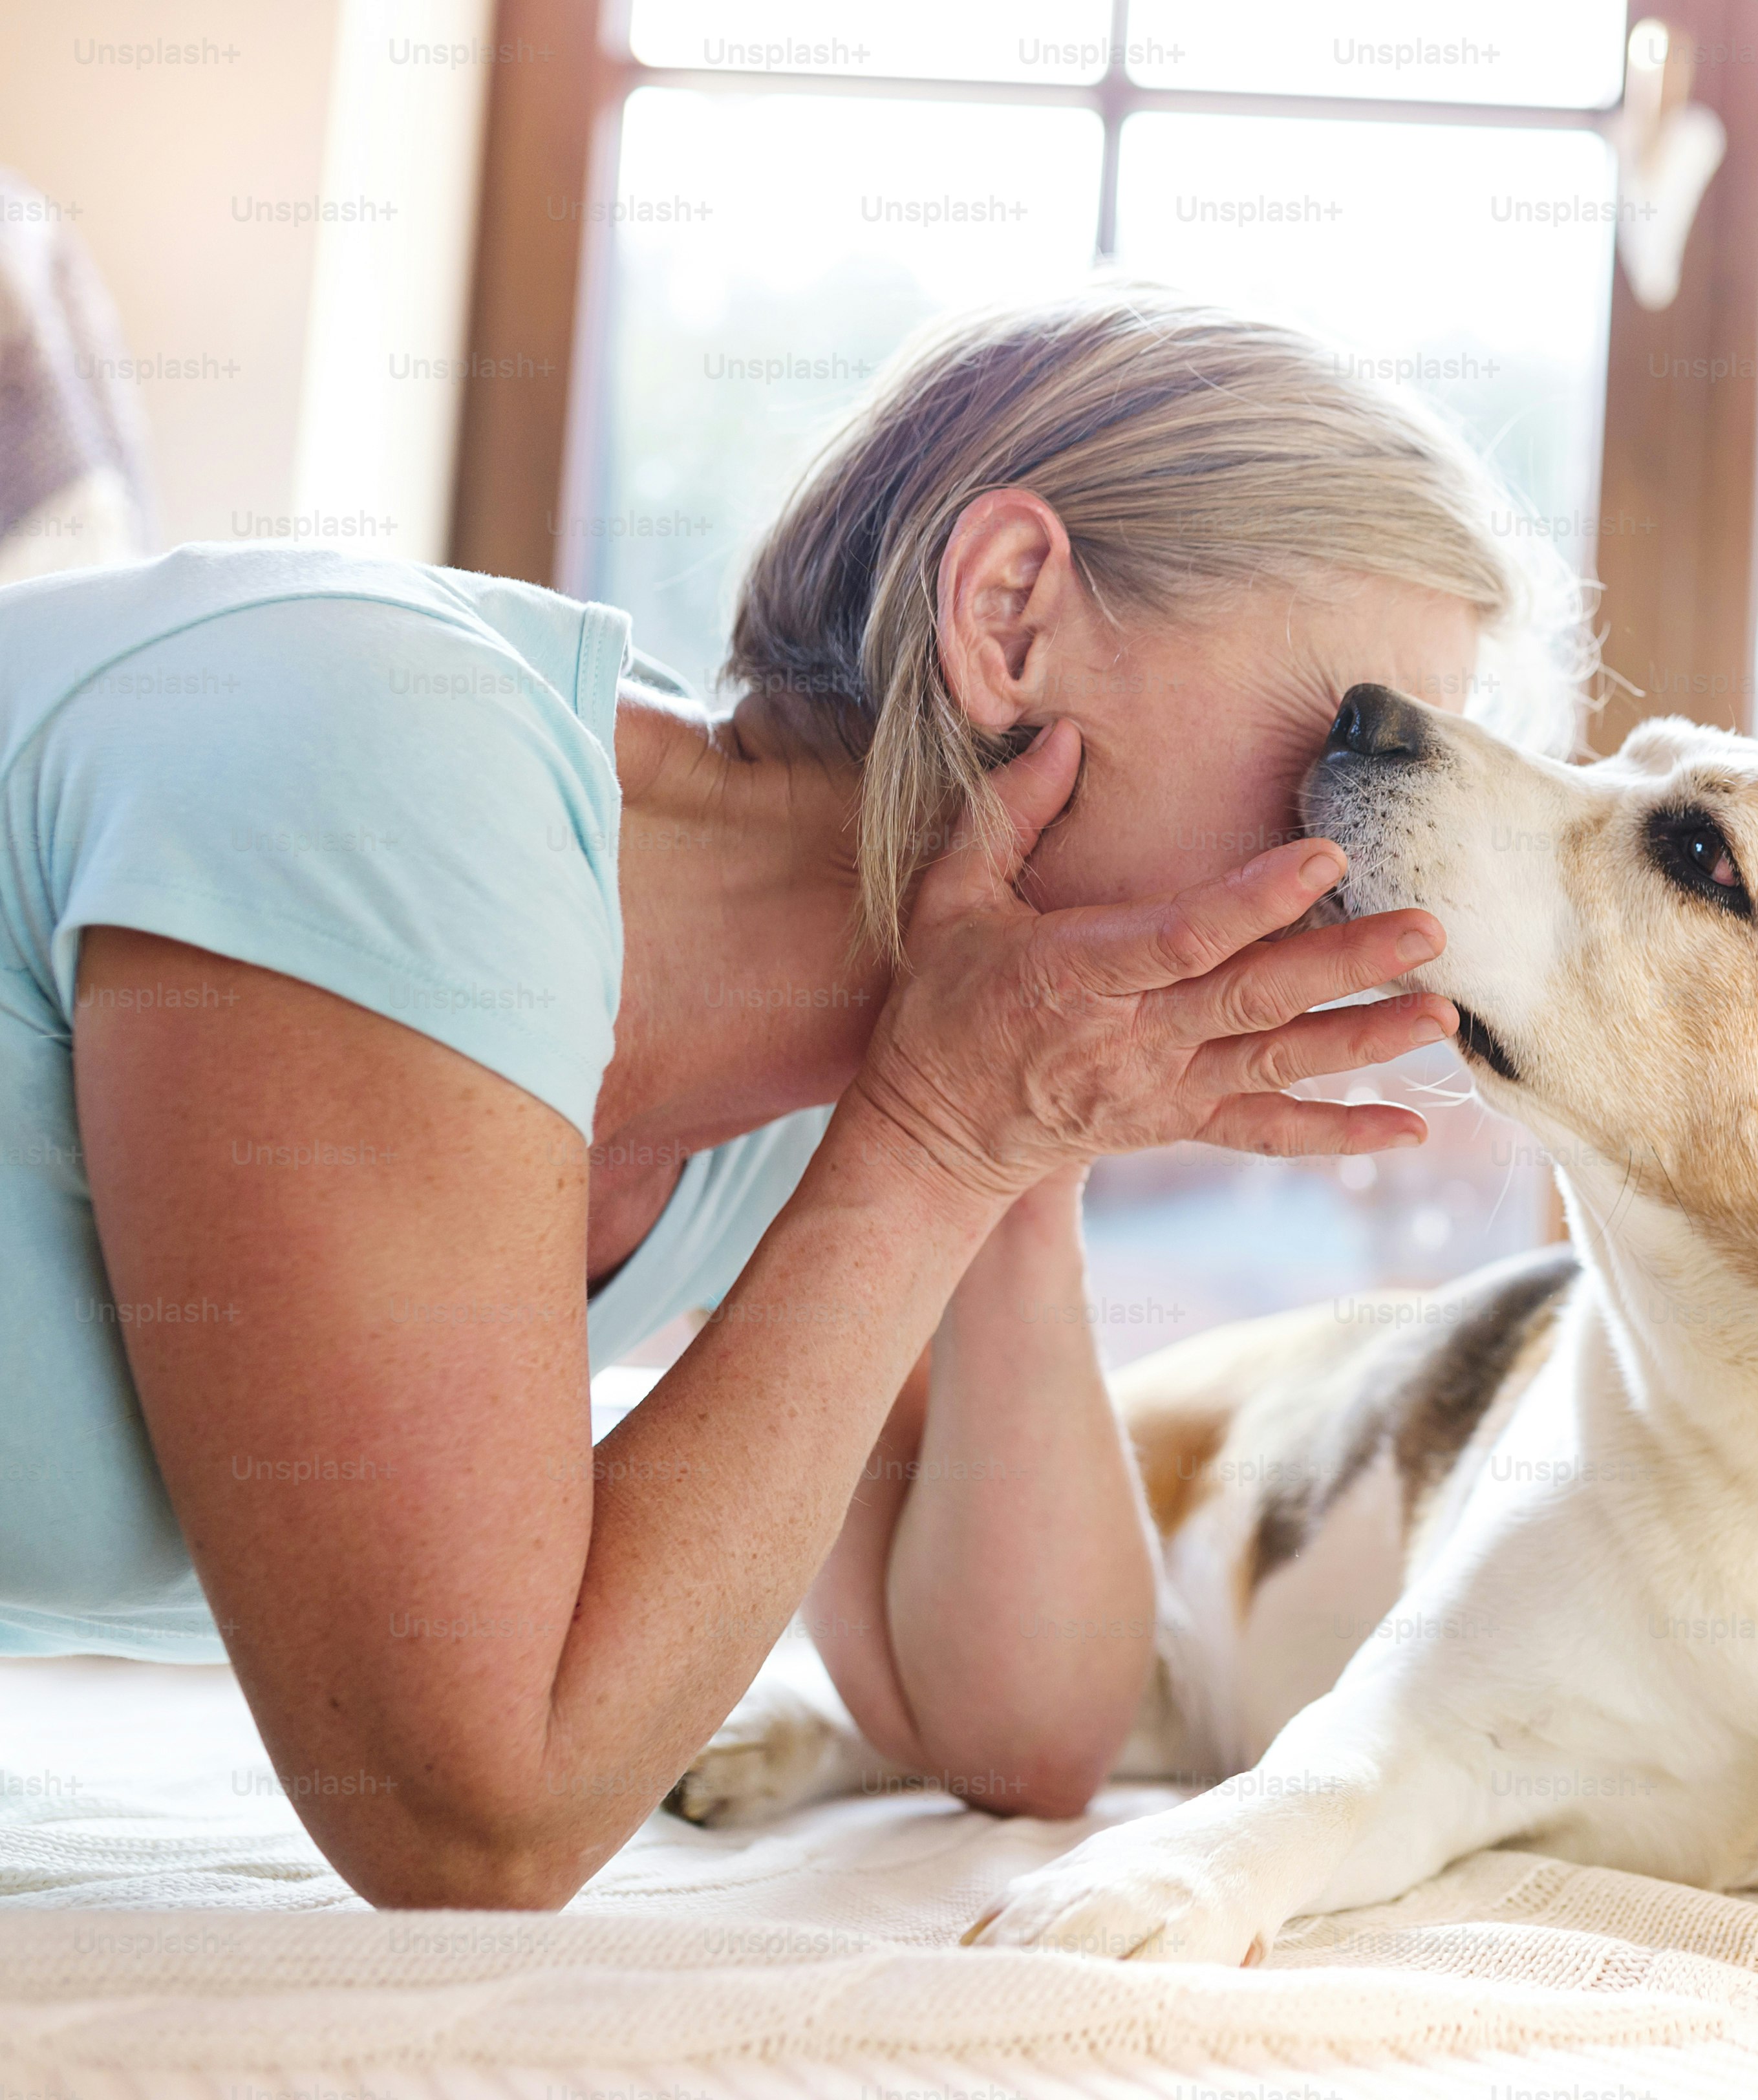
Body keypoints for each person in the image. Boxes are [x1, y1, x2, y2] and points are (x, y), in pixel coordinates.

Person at [0, 288, 1581, 1908]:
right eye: (1355, 749)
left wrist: (1022, 1156)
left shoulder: (829, 1079)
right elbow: (479, 1817)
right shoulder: (395, 762)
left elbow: (1020, 1733)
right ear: (1012, 614)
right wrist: (944, 1142)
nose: (1377, 900)